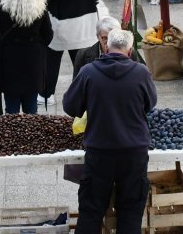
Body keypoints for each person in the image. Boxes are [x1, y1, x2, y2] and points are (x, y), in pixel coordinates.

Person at [63, 28, 157, 234]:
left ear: (107, 47)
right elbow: (150, 105)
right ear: (130, 50)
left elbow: (70, 107)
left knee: (91, 210)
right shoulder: (141, 73)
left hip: (99, 152)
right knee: (131, 212)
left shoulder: (88, 72)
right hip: (134, 153)